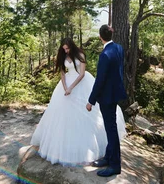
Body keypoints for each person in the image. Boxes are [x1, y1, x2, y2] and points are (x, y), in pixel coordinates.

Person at [30, 37, 126, 166]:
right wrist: (65, 87)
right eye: (64, 49)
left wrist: (71, 87)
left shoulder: (80, 54)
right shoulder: (63, 56)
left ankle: (96, 149)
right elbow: (62, 73)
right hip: (66, 85)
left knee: (85, 115)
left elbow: (81, 74)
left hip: (80, 83)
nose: (66, 51)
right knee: (61, 115)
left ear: (72, 46)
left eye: (67, 48)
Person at [86, 25, 128, 177]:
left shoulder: (105, 55)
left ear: (100, 37)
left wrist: (91, 100)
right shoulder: (119, 48)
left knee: (111, 130)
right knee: (111, 127)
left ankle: (115, 165)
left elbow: (100, 80)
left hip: (107, 97)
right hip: (115, 93)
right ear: (112, 34)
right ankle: (108, 157)